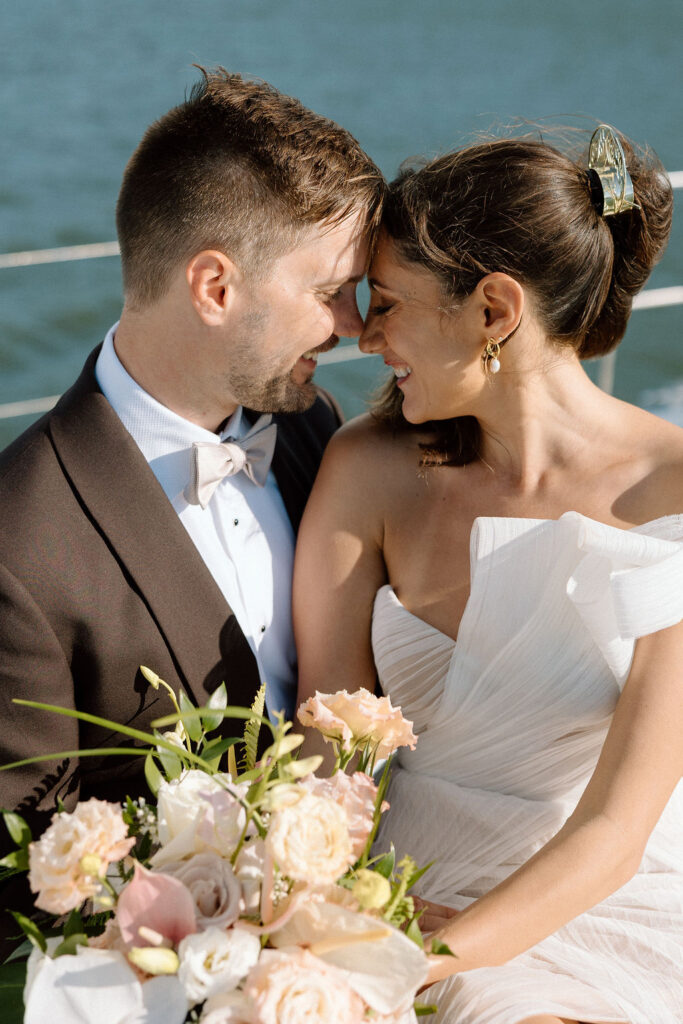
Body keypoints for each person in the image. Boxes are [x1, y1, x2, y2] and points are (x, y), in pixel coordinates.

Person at [294, 126, 683, 1024]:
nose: (366, 336)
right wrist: (308, 919)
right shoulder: (366, 469)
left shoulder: (677, 495)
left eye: (386, 303)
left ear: (494, 310)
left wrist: (418, 959)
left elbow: (617, 827)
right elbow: (326, 741)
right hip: (405, 874)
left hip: (597, 891)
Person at [0, 69, 383, 841]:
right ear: (214, 288)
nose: (352, 325)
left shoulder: (317, 431)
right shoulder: (17, 544)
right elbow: (23, 873)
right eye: (330, 292)